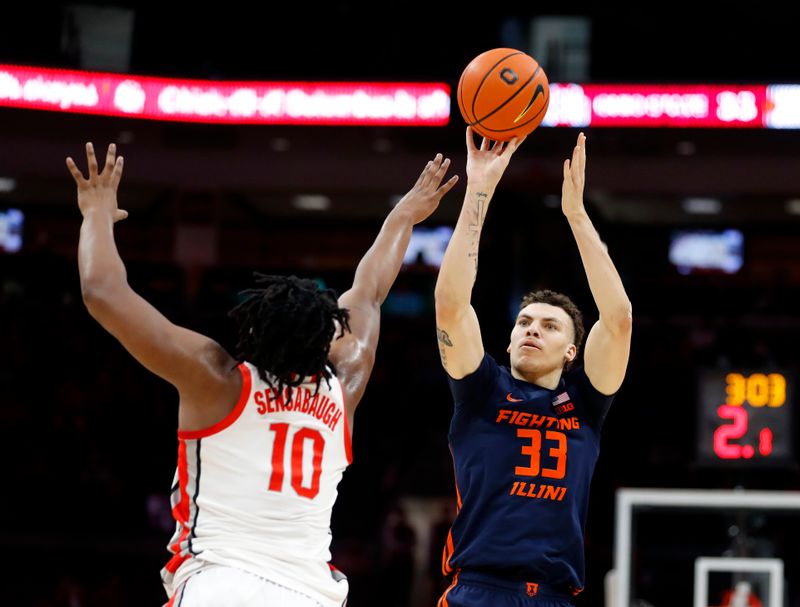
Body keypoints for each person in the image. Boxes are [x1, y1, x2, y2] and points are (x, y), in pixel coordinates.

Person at [66, 142, 458, 607]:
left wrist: (95, 213)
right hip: (309, 593)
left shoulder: (216, 378)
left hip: (219, 584)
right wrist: (403, 218)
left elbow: (102, 292)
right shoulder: (344, 387)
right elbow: (369, 293)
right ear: (326, 338)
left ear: (252, 330)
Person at [433, 129, 632, 607]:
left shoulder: (585, 402)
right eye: (523, 322)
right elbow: (451, 304)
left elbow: (619, 318)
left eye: (549, 326)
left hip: (554, 595)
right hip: (478, 589)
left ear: (571, 352)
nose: (531, 330)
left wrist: (577, 217)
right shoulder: (482, 390)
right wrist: (479, 186)